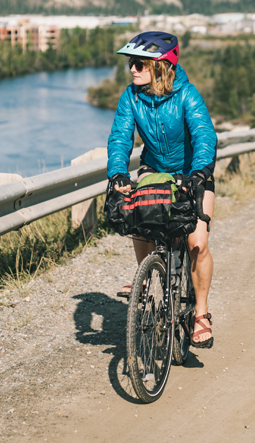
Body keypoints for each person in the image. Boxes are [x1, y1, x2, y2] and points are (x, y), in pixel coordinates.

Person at [107, 30, 218, 348]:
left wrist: (199, 174)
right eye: (131, 63)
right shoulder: (131, 97)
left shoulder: (187, 95)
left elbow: (203, 135)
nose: (132, 69)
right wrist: (117, 174)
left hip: (192, 173)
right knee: (139, 217)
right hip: (155, 170)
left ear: (160, 66)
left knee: (197, 242)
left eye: (139, 63)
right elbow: (120, 137)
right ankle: (145, 274)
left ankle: (200, 313)